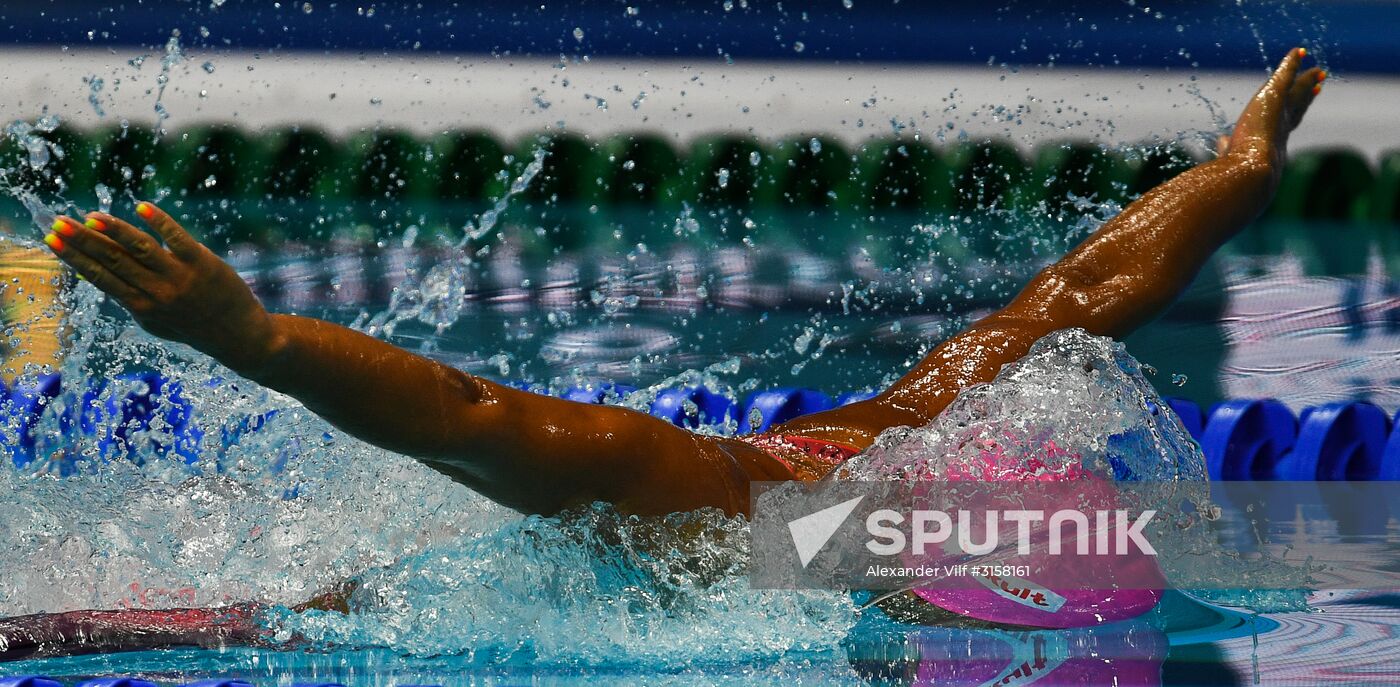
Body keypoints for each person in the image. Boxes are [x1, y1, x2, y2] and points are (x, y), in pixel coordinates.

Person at [1, 49, 1323, 657]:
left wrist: (1240, 169)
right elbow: (464, 411)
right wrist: (252, 337)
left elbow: (1084, 293)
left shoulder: (930, 430)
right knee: (269, 631)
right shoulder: (716, 510)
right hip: (520, 584)